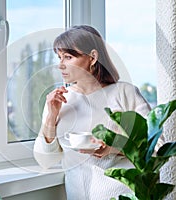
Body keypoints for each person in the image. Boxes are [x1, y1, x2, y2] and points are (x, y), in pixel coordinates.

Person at [33, 25, 153, 200]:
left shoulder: (125, 93)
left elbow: (155, 148)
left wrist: (113, 149)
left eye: (68, 57)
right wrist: (51, 117)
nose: (61, 65)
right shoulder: (59, 101)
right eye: (59, 57)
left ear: (93, 57)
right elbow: (45, 160)